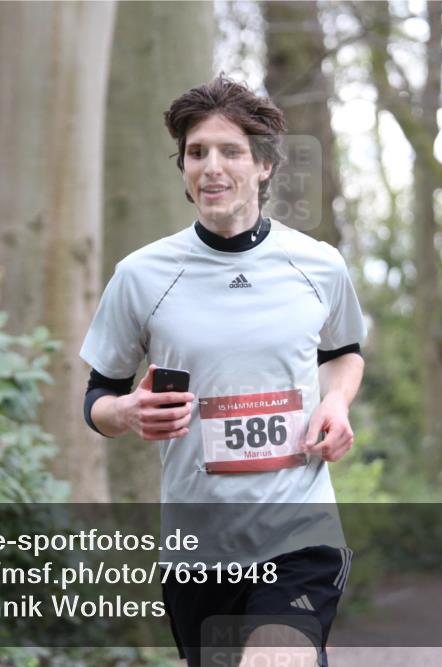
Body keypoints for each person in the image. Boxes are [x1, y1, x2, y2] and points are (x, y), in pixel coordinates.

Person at [79, 75, 366, 667]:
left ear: (262, 165)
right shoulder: (142, 275)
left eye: (230, 151)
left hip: (299, 534)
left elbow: (343, 352)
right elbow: (96, 398)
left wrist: (335, 403)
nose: (211, 166)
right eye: (196, 152)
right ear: (183, 168)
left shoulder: (318, 264)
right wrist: (127, 413)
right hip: (197, 549)